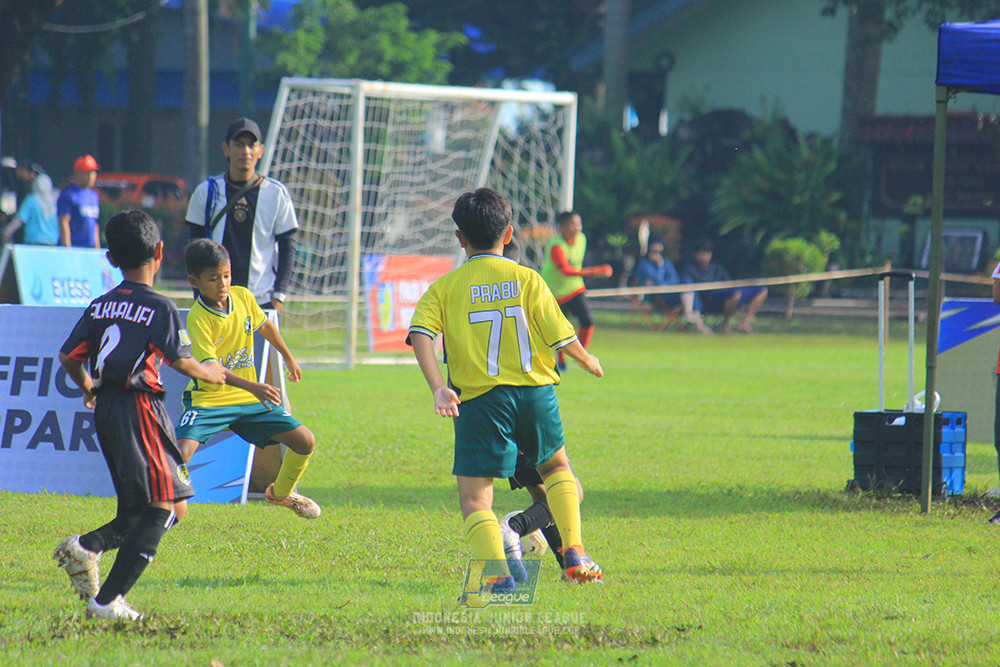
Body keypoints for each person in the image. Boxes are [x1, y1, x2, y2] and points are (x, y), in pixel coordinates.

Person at [408, 187, 604, 591]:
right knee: (557, 471)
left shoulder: (446, 287)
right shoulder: (528, 279)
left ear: (459, 237)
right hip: (535, 395)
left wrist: (438, 387)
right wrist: (587, 359)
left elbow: (421, 334)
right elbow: (561, 335)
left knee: (476, 499)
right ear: (509, 233)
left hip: (481, 401)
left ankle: (498, 578)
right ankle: (575, 552)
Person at [54, 209, 227, 621]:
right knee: (163, 508)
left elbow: (68, 356)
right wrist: (210, 372)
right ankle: (102, 588)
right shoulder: (159, 306)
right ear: (160, 251)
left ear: (111, 259)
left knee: (161, 508)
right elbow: (179, 360)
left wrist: (89, 387)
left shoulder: (100, 306)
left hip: (108, 409)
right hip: (140, 409)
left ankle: (90, 556)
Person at [175, 238, 320, 519]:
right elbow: (214, 370)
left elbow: (265, 325)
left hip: (248, 400)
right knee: (180, 455)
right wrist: (255, 387)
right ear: (194, 281)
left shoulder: (242, 296)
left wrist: (288, 356)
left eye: (226, 275)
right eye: (213, 278)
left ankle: (281, 494)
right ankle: (160, 506)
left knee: (305, 441)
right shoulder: (198, 318)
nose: (223, 284)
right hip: (210, 400)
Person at [185, 117, 297, 313]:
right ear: (226, 148)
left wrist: (279, 296)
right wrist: (199, 293)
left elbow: (288, 247)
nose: (245, 151)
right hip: (215, 302)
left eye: (251, 145)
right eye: (239, 144)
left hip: (261, 301)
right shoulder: (207, 191)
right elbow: (194, 247)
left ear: (261, 150)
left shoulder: (276, 193)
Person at [540, 211, 612, 370]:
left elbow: (574, 266)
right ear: (563, 227)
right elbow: (565, 270)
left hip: (575, 288)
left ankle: (582, 355)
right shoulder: (556, 245)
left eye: (579, 224)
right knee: (560, 329)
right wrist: (595, 272)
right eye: (573, 224)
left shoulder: (582, 239)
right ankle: (561, 360)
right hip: (555, 292)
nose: (578, 228)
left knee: (588, 320)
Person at [682, 238, 768, 334]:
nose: (705, 257)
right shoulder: (689, 270)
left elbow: (729, 284)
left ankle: (745, 324)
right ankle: (725, 325)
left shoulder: (717, 267)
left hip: (725, 294)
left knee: (762, 290)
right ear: (695, 254)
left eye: (708, 253)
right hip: (709, 301)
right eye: (702, 253)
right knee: (735, 295)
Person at [636, 236, 713, 334]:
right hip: (657, 296)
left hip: (671, 292)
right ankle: (695, 321)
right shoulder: (644, 264)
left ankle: (693, 319)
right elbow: (658, 283)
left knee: (687, 282)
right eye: (654, 251)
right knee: (688, 291)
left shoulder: (666, 261)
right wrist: (659, 266)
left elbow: (674, 279)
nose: (657, 254)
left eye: (660, 252)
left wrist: (666, 283)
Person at [1, 172, 58, 245]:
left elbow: (19, 220)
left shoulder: (31, 200)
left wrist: (6, 233)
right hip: (52, 242)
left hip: (33, 241)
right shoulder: (55, 202)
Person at [58, 154, 101, 248]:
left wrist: (97, 249)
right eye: (87, 173)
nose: (91, 176)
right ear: (77, 174)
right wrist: (67, 249)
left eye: (93, 172)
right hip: (75, 247)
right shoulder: (68, 194)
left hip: (90, 249)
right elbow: (64, 222)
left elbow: (94, 225)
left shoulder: (93, 196)